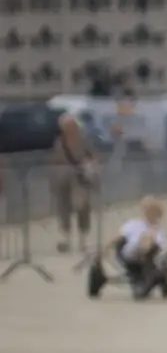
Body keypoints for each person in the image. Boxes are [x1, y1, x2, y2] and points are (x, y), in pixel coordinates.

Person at [87, 196, 167, 298]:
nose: (149, 212)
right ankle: (157, 277)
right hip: (131, 254)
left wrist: (153, 231)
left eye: (152, 210)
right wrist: (105, 250)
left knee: (154, 246)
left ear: (158, 214)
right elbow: (119, 237)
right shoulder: (133, 224)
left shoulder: (159, 232)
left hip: (150, 258)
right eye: (147, 209)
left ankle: (165, 280)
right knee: (145, 240)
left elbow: (162, 248)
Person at [49, 107, 96, 257]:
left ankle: (83, 239)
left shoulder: (84, 139)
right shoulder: (59, 141)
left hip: (81, 179)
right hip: (64, 179)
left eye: (73, 125)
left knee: (83, 209)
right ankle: (67, 239)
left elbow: (93, 155)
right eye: (68, 126)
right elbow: (55, 160)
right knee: (64, 209)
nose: (71, 128)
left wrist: (88, 165)